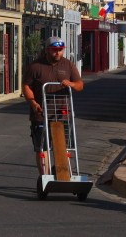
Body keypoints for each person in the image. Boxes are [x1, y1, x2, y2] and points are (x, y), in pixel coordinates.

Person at [22, 36, 83, 175]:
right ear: (48, 50)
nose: (58, 53)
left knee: (62, 146)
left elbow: (80, 85)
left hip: (62, 112)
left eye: (60, 50)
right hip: (40, 113)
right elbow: (26, 85)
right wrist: (33, 102)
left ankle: (62, 173)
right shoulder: (35, 66)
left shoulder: (68, 65)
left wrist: (71, 84)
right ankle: (45, 177)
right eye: (55, 50)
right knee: (42, 148)